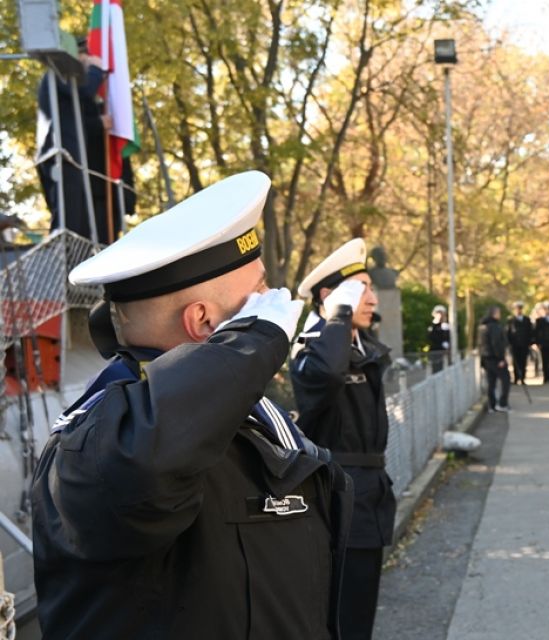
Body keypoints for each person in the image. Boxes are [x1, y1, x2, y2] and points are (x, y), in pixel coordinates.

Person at [31, 171, 351, 639]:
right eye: (258, 294)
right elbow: (143, 464)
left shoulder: (223, 410)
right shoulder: (100, 441)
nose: (271, 302)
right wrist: (255, 342)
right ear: (203, 321)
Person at [292, 237, 394, 640]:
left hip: (369, 497)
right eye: (360, 289)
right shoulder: (313, 349)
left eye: (370, 289)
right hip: (336, 502)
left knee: (359, 613)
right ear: (328, 297)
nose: (372, 299)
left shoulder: (361, 346)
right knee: (340, 621)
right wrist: (337, 317)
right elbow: (326, 376)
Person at [37, 38, 135, 244]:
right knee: (69, 217)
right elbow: (84, 90)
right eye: (86, 57)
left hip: (68, 155)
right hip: (60, 155)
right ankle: (63, 255)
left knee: (77, 218)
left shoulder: (61, 78)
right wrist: (96, 69)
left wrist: (99, 123)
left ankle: (71, 255)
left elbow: (75, 116)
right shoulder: (59, 72)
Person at [479, 306, 512, 412]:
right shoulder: (494, 327)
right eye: (498, 313)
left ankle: (492, 405)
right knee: (505, 379)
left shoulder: (483, 326)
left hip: (486, 358)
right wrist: (501, 358)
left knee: (491, 382)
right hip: (495, 358)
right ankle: (502, 403)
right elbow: (496, 343)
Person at [507, 301, 534, 384]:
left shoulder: (527, 320)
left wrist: (530, 343)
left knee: (523, 361)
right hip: (514, 345)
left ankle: (522, 378)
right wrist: (509, 343)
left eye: (520, 309)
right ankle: (516, 378)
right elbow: (508, 332)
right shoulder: (511, 320)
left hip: (524, 344)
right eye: (517, 309)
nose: (518, 310)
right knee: (515, 362)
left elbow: (530, 332)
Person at [428, 305, 451, 372]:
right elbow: (432, 337)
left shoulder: (446, 325)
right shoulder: (432, 325)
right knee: (437, 369)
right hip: (436, 352)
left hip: (446, 352)